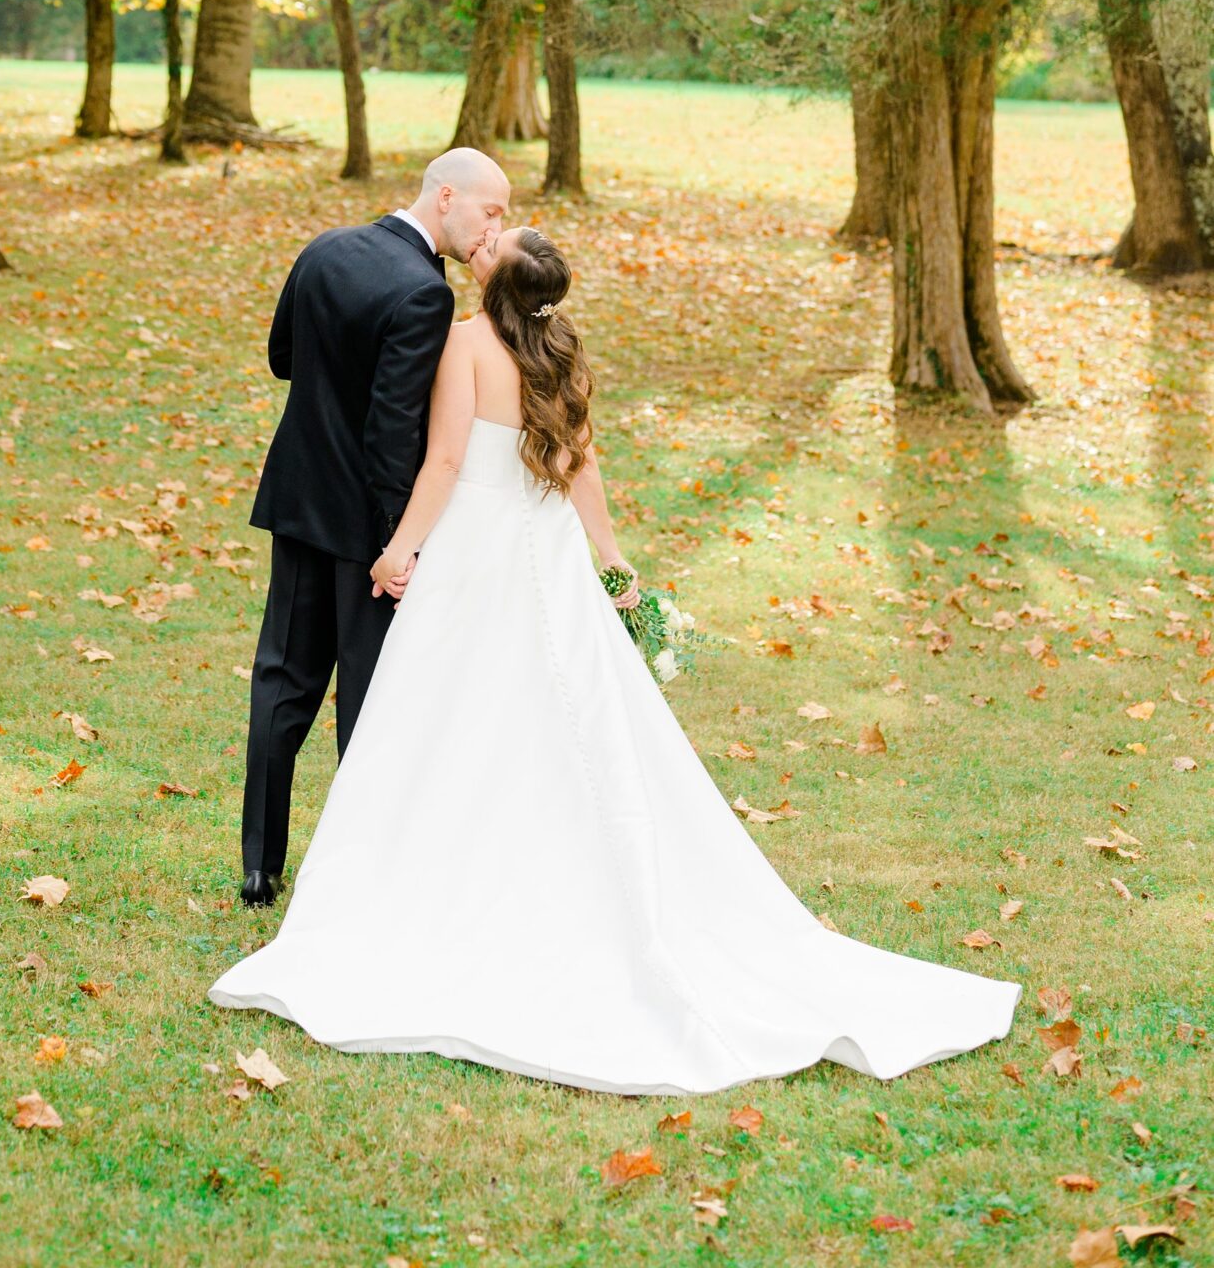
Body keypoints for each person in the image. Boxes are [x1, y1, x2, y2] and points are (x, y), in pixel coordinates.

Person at [213, 226, 1020, 1096]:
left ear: (495, 281)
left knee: (451, 714)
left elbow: (444, 459)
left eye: (491, 245)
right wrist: (609, 555)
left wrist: (400, 550)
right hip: (550, 548)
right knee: (564, 711)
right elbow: (578, 460)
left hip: (478, 548)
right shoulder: (562, 349)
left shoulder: (465, 342)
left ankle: (441, 873)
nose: (479, 244)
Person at [237, 147, 511, 907]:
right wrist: (404, 543)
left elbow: (281, 358)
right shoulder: (424, 292)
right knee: (365, 698)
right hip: (366, 533)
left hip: (297, 502)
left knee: (281, 683)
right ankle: (354, 875)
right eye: (491, 211)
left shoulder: (324, 248)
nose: (495, 229)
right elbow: (394, 436)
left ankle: (259, 867)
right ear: (446, 196)